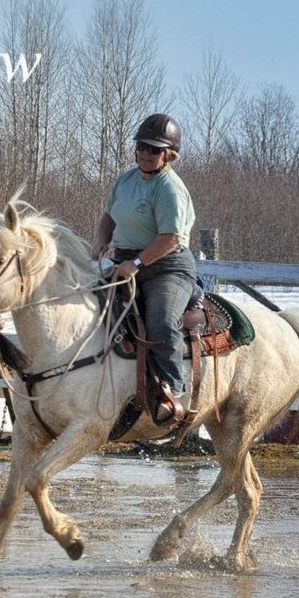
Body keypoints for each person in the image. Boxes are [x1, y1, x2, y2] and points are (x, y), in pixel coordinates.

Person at [93, 113, 197, 423]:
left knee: (162, 320)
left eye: (153, 149)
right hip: (124, 261)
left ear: (169, 154)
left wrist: (136, 264)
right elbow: (109, 217)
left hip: (167, 267)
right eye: (141, 147)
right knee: (87, 302)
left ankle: (172, 390)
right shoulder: (126, 180)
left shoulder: (170, 189)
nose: (145, 154)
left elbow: (170, 238)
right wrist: (100, 241)